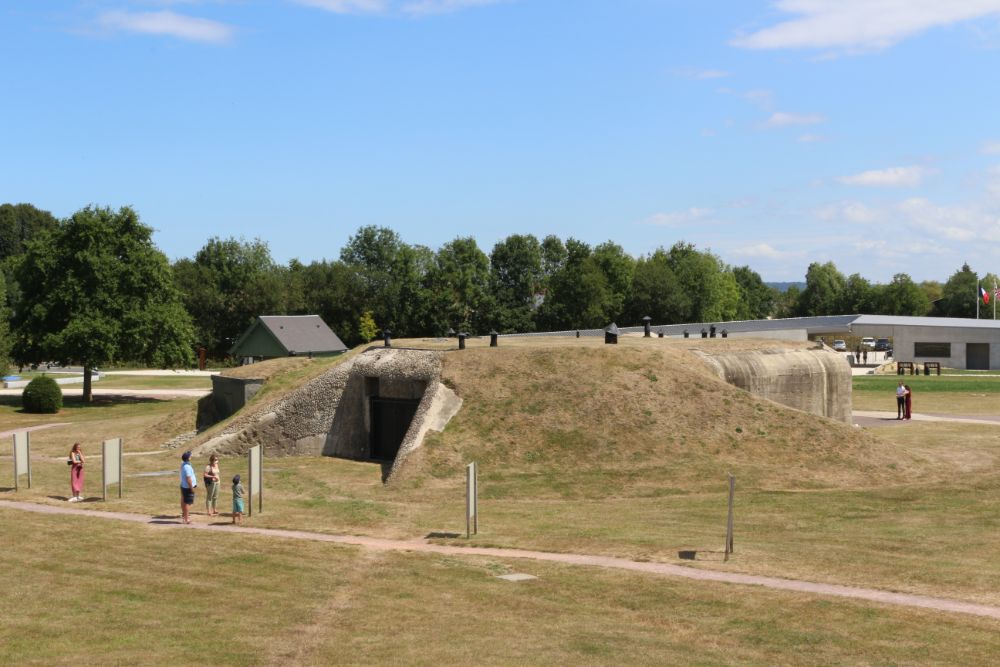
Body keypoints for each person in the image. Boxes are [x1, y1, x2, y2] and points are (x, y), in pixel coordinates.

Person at [180, 451, 197, 524]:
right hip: (188, 487)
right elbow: (188, 478)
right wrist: (191, 488)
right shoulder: (187, 467)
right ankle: (187, 519)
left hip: (184, 485)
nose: (191, 456)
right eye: (190, 456)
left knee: (184, 501)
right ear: (188, 458)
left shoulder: (184, 464)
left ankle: (185, 517)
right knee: (188, 503)